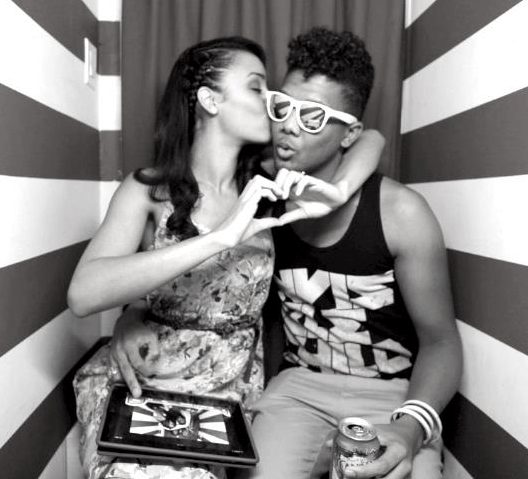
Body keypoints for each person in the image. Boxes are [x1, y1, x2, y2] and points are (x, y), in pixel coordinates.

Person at [67, 34, 384, 479]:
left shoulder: (271, 181)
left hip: (226, 391)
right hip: (145, 379)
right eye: (257, 88)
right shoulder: (148, 190)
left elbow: (371, 137)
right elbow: (83, 294)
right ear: (210, 100)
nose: (272, 102)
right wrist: (217, 238)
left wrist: (340, 190)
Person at [233, 27, 463, 479]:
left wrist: (410, 429)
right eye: (283, 107)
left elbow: (441, 343)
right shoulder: (260, 195)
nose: (289, 126)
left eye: (313, 117)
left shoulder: (401, 213)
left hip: (391, 396)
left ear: (349, 133)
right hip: (298, 391)